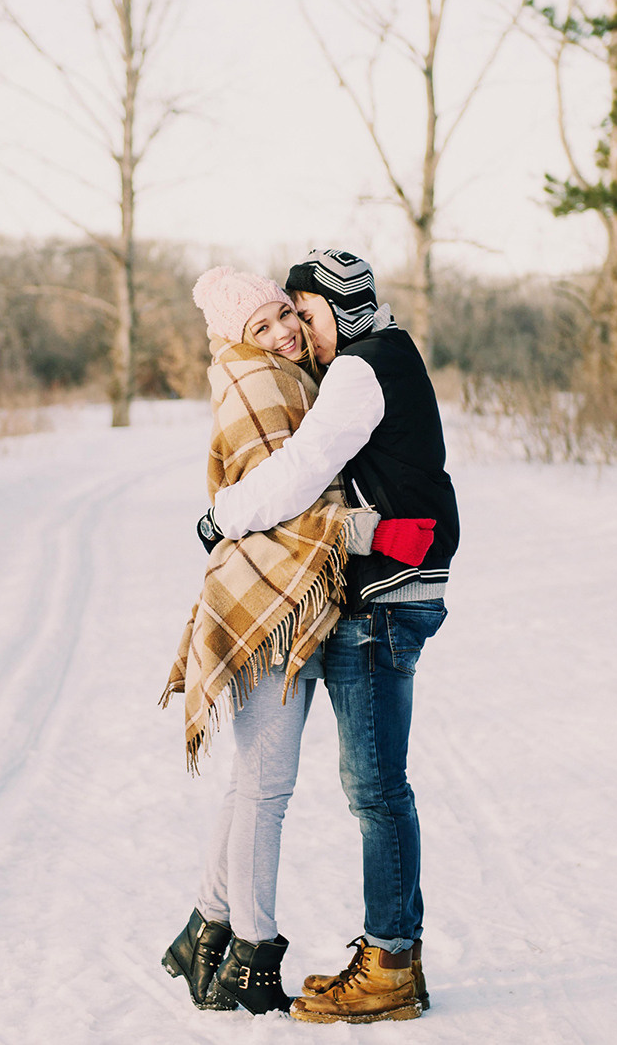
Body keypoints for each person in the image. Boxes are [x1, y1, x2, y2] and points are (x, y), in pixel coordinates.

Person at [202, 248, 460, 1026]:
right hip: (394, 590)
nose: (299, 331)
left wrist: (223, 515)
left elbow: (305, 466)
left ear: (341, 311)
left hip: (383, 600)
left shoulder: (356, 367)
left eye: (305, 313)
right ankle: (388, 955)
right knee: (373, 788)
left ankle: (389, 963)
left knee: (377, 789)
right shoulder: (395, 350)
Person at [159, 266, 375, 1016]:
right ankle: (250, 951)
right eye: (263, 326)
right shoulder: (256, 382)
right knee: (266, 789)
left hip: (286, 599)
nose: (284, 332)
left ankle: (205, 932)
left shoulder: (281, 375)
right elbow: (285, 493)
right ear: (235, 338)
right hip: (269, 597)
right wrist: (360, 526)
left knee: (253, 785)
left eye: (286, 314)